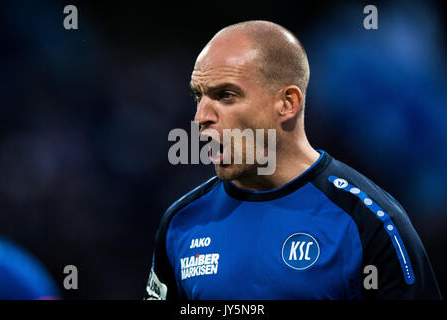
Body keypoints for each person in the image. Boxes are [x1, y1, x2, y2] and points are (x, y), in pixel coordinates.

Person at [144, 20, 441, 300]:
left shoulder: (369, 223)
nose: (201, 117)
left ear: (287, 103)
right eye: (199, 97)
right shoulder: (181, 222)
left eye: (226, 95)